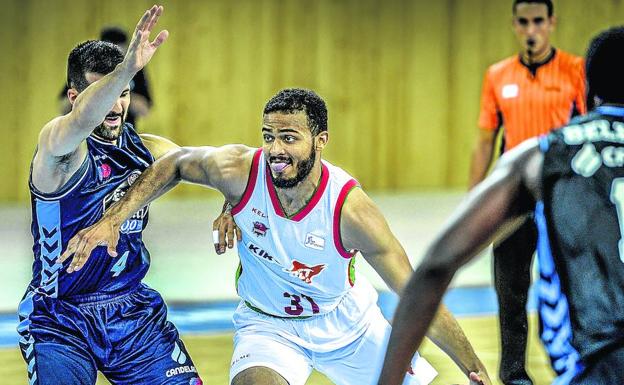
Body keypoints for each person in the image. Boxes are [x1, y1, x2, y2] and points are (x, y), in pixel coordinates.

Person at [60, 88, 491, 385]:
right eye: (269, 137)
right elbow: (174, 162)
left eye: (289, 138)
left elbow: (420, 295)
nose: (275, 150)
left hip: (348, 326)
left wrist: (475, 370)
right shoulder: (240, 172)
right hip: (268, 326)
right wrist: (113, 218)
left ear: (320, 141)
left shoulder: (351, 211)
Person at [378, 26, 624, 385]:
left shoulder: (544, 152)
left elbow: (434, 268)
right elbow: (486, 136)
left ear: (588, 92)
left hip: (601, 365)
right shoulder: (501, 75)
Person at [18, 6, 202, 385]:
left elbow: (201, 162)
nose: (115, 105)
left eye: (123, 93)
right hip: (60, 317)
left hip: (131, 312)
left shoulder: (144, 147)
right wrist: (125, 70)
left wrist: (234, 202)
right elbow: (83, 119)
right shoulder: (58, 152)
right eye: (104, 94)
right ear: (75, 96)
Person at [468, 1, 586, 383]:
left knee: (574, 286)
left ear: (551, 23)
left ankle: (580, 366)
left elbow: (588, 129)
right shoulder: (498, 75)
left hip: (560, 195)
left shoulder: (575, 71)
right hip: (514, 196)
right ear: (514, 26)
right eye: (524, 22)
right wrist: (475, 199)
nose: (531, 28)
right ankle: (514, 374)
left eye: (538, 21)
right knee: (511, 288)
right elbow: (485, 140)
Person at [58, 26, 154, 128]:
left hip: (122, 135)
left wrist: (116, 89)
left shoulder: (134, 69)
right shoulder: (86, 68)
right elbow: (64, 106)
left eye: (120, 57)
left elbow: (144, 110)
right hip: (89, 134)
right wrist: (91, 92)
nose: (115, 62)